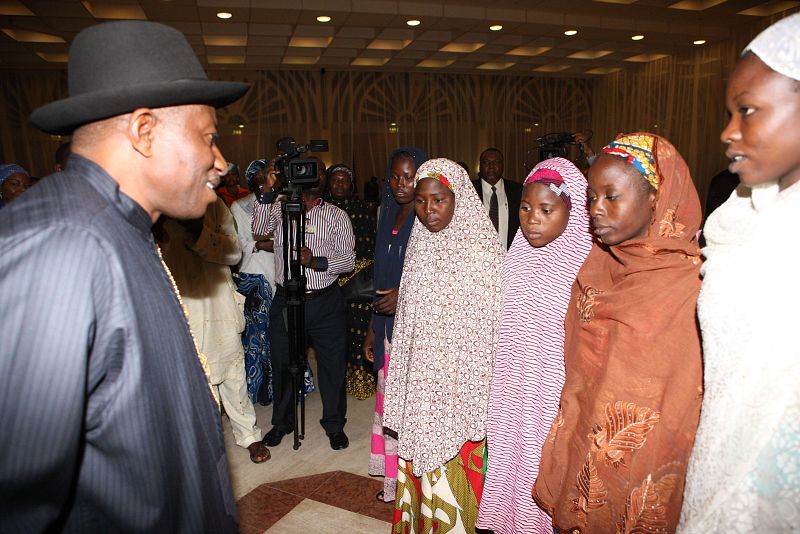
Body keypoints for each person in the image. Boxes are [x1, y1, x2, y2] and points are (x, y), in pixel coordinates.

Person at [0, 21, 248, 532]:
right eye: (207, 138)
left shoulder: (122, 227)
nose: (220, 161)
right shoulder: (62, 246)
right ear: (144, 131)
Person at [533, 133, 704, 533]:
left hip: (649, 462)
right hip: (586, 443)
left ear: (654, 200)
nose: (596, 209)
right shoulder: (597, 269)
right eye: (592, 197)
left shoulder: (688, 284)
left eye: (612, 197)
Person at [679, 13, 800, 532]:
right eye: (730, 112)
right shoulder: (736, 220)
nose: (729, 132)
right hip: (717, 461)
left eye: (747, 111)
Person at [383, 158, 505, 532]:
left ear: (459, 199)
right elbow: (409, 326)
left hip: (463, 390)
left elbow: (494, 331)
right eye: (420, 201)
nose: (428, 210)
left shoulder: (484, 253)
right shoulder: (420, 249)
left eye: (439, 200)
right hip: (425, 389)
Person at [477, 158, 592, 534]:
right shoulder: (516, 257)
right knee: (509, 462)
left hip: (552, 393)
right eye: (525, 208)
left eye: (547, 210)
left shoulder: (584, 264)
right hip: (510, 389)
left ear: (571, 211)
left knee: (543, 468)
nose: (532, 219)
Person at [252, 156, 355, 451]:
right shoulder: (280, 208)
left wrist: (317, 261)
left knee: (332, 367)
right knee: (283, 364)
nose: (313, 175)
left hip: (325, 302)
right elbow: (258, 228)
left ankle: (334, 425)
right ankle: (282, 423)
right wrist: (268, 189)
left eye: (319, 171)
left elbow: (348, 260)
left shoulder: (337, 216)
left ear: (323, 179)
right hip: (287, 299)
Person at [160, 198, 270, 464]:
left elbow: (233, 254)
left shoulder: (213, 204)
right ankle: (201, 440)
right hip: (181, 301)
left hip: (218, 300)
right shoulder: (155, 202)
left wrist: (199, 234)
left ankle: (249, 435)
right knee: (193, 376)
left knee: (233, 371)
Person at [364, 147, 428, 504]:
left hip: (417, 331)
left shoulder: (428, 214)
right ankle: (393, 482)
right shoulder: (387, 212)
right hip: (387, 328)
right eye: (396, 176)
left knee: (410, 410)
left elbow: (436, 275)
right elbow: (380, 276)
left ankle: (412, 485)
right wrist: (374, 327)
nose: (402, 184)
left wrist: (405, 295)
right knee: (390, 408)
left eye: (410, 176)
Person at [325, 163, 377, 400]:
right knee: (334, 334)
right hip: (326, 279)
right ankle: (335, 381)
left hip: (356, 282)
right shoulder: (318, 208)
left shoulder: (363, 209)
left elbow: (369, 246)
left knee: (358, 333)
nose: (339, 185)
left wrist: (351, 273)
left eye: (344, 181)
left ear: (352, 185)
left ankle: (361, 383)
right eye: (335, 180)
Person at [231, 159, 277, 405]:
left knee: (278, 333)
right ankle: (259, 389)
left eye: (266, 174)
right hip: (253, 275)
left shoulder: (279, 202)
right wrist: (263, 244)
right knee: (256, 337)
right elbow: (239, 244)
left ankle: (279, 387)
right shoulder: (239, 206)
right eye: (257, 175)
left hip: (279, 273)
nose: (262, 178)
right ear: (251, 180)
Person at [473, 147, 522, 250]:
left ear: (503, 166)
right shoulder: (469, 190)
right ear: (480, 166)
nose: (491, 167)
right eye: (486, 163)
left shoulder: (518, 191)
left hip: (510, 257)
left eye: (496, 162)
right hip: (476, 258)